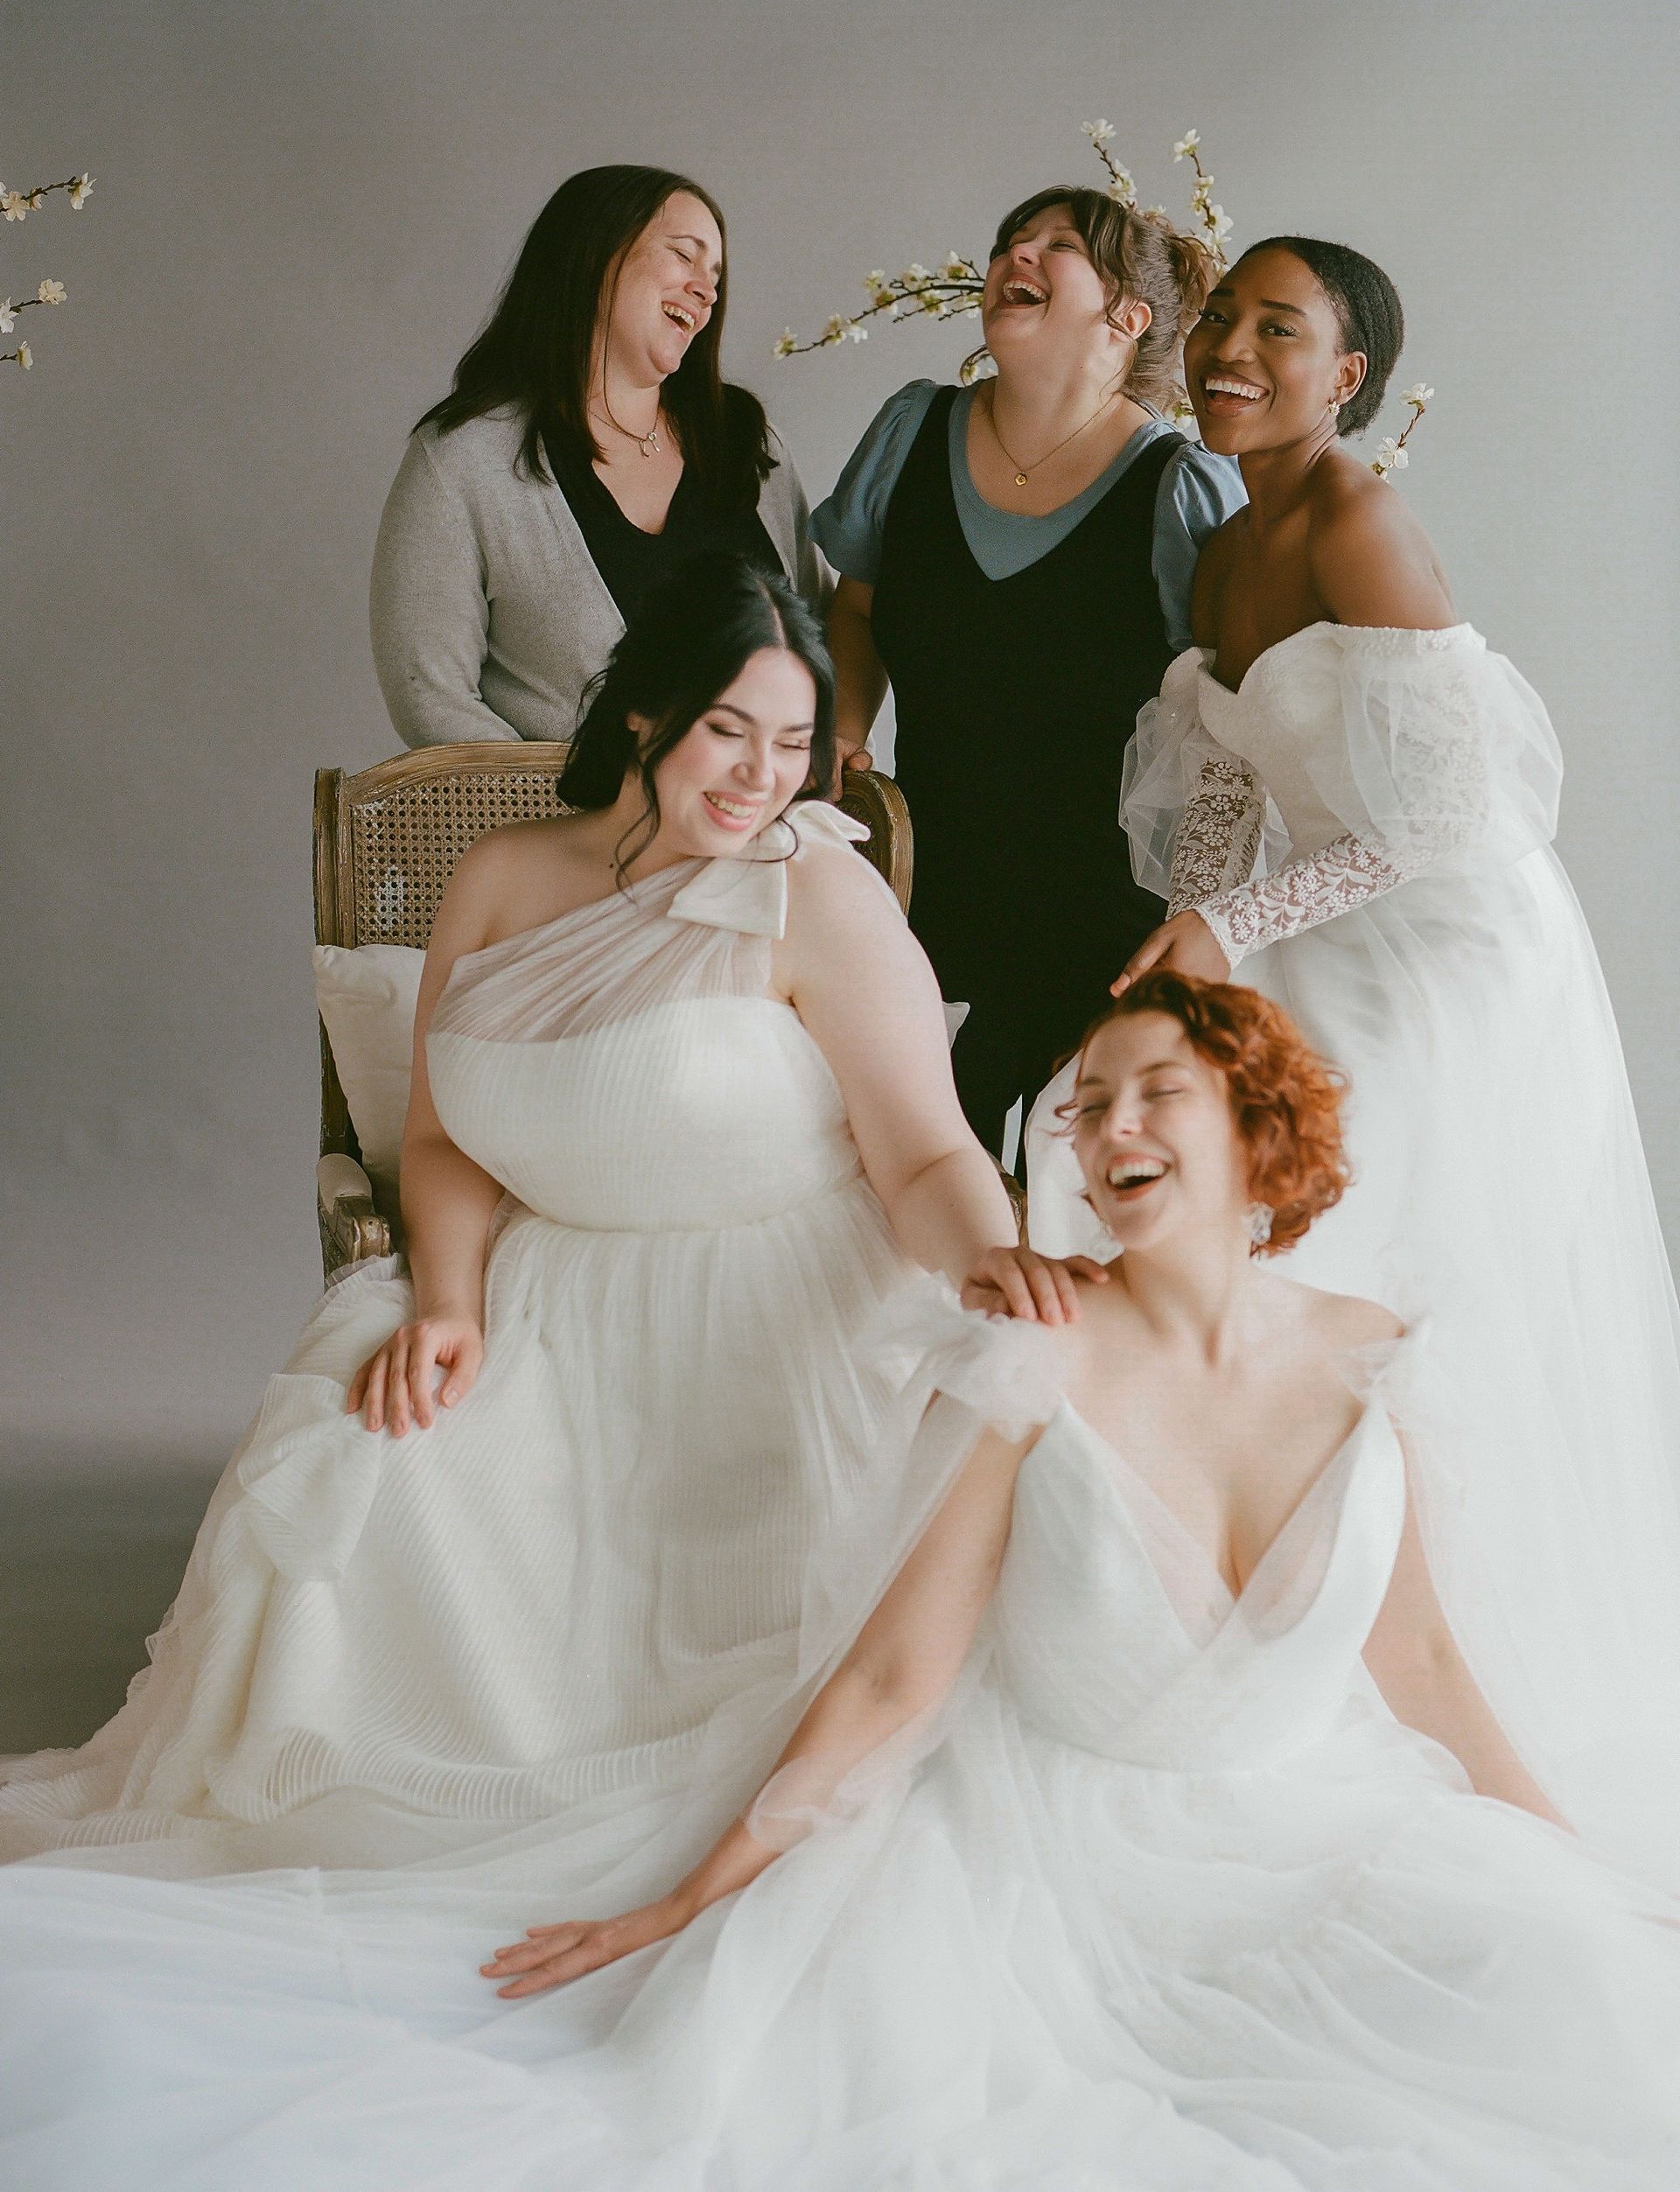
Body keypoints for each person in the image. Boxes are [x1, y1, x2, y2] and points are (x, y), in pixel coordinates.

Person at [7, 977, 1676, 2188]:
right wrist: (686, 1902)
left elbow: (1422, 1662)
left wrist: (1571, 1863)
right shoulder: (1030, 1357)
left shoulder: (1377, 1354)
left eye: (1153, 1088)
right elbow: (895, 1677)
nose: (1107, 1128)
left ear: (1258, 1117)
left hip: (1307, 1831)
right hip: (1052, 1865)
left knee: (1561, 2006)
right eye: (1084, 1104)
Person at [0, 553, 1019, 1874]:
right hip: (542, 1296)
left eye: (790, 744)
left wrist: (994, 1267)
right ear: (647, 709)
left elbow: (928, 1155)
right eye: (728, 730)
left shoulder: (818, 894)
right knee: (367, 1462)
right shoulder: (500, 875)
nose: (760, 776)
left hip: (775, 1313)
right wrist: (449, 1304)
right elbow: (439, 1136)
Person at [1027, 235, 1680, 1871]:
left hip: (1450, 941)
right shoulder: (1224, 541)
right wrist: (1183, 949)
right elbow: (1228, 791)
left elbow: (1447, 817)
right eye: (1221, 319)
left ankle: (1422, 1664)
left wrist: (1237, 927)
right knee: (1145, 1127)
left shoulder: (1357, 522)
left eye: (1280, 328)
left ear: (1349, 376)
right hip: (1310, 913)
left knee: (1345, 1220)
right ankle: (1203, 1612)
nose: (1232, 350)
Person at [811, 181, 1244, 1153]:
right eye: (1014, 238)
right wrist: (840, 728)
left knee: (1069, 1193)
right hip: (923, 898)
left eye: (1059, 245)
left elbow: (1232, 728)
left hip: (1110, 927)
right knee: (907, 1176)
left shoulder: (1181, 490)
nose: (1019, 253)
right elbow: (857, 607)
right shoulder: (911, 430)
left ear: (1127, 318)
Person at [371, 165, 830, 746]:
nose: (707, 291)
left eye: (716, 275)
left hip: (773, 806)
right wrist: (586, 802)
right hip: (559, 806)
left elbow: (822, 642)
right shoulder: (462, 460)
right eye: (683, 255)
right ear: (593, 257)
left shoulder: (749, 446)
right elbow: (431, 697)